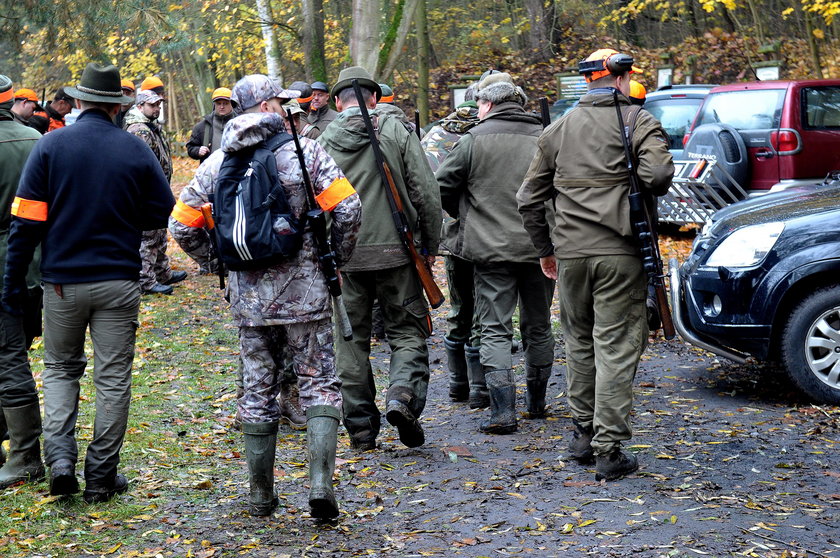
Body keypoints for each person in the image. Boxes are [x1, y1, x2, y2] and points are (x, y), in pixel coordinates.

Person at [175, 74, 361, 518]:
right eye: (280, 100)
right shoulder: (305, 151)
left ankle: (260, 496)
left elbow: (181, 225)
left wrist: (218, 262)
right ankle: (319, 485)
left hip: (248, 300)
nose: (285, 106)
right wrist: (334, 258)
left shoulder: (217, 161)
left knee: (258, 390)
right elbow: (350, 208)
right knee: (318, 382)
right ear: (266, 105)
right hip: (307, 295)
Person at [2, 63, 175, 502]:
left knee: (60, 369)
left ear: (78, 101)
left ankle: (60, 461)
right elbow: (161, 210)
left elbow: (25, 224)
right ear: (118, 107)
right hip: (118, 280)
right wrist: (122, 218)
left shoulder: (50, 146)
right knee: (113, 378)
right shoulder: (133, 150)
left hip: (61, 283)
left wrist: (12, 282)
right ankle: (101, 475)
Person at [517, 48, 674, 481]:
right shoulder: (638, 121)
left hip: (570, 256)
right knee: (617, 346)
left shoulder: (558, 128)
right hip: (621, 254)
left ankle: (583, 435)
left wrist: (545, 248)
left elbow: (528, 198)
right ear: (623, 78)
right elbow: (659, 177)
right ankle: (609, 450)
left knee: (580, 343)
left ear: (588, 80)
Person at [318, 66, 441, 451]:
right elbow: (426, 191)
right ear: (374, 99)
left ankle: (361, 430)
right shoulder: (396, 130)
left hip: (344, 257)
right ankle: (402, 398)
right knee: (406, 331)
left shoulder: (321, 140)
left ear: (338, 102)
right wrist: (429, 245)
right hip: (397, 253)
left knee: (350, 341)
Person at [437, 73, 554, 434]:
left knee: (495, 329)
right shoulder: (545, 137)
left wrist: (466, 216)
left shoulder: (472, 140)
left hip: (489, 252)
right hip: (541, 250)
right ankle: (536, 403)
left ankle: (503, 412)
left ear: (486, 104)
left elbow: (440, 186)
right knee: (538, 325)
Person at [421, 94, 483, 405]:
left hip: (453, 234)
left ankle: (458, 384)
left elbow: (427, 186)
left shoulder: (435, 133)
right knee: (487, 310)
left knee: (460, 308)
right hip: (488, 234)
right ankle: (479, 386)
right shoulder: (488, 131)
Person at [0, 76, 45, 489]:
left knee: (8, 358)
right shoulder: (34, 139)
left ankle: (26, 456)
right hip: (35, 266)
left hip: (6, 266)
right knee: (15, 350)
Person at [124, 89, 187, 295]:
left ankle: (161, 271)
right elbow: (140, 164)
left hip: (157, 188)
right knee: (148, 236)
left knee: (159, 233)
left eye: (158, 105)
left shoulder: (151, 126)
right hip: (146, 191)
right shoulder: (139, 130)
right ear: (140, 107)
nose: (157, 108)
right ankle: (145, 280)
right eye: (152, 105)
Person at [186, 87, 236, 162]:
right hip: (210, 172)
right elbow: (190, 148)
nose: (222, 107)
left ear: (232, 104)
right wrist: (198, 151)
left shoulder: (241, 124)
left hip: (236, 171)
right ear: (214, 104)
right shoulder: (202, 126)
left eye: (225, 103)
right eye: (218, 104)